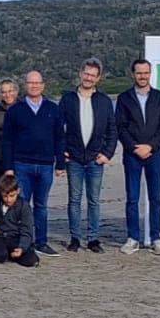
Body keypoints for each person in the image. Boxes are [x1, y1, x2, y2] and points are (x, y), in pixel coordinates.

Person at [0, 71, 65, 258]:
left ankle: (41, 242)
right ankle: (23, 243)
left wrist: (60, 163)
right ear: (25, 85)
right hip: (22, 164)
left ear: (43, 85)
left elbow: (60, 138)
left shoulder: (53, 109)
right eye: (30, 83)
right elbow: (7, 141)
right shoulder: (15, 110)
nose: (34, 86)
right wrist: (8, 167)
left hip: (45, 165)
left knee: (41, 206)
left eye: (37, 83)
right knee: (22, 205)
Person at [59, 59, 117, 253]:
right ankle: (75, 238)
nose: (89, 78)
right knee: (74, 199)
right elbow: (58, 128)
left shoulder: (104, 101)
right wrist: (62, 151)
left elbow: (112, 130)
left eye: (93, 75)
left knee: (93, 200)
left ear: (98, 78)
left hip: (95, 159)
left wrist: (107, 154)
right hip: (74, 159)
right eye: (86, 74)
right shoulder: (67, 99)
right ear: (80, 73)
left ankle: (93, 239)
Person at [115, 58, 160, 256]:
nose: (142, 76)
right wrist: (134, 147)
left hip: (155, 154)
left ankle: (156, 239)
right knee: (132, 198)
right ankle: (133, 238)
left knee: (155, 198)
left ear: (150, 73)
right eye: (139, 73)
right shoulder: (124, 98)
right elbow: (120, 127)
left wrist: (151, 146)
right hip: (132, 155)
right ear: (133, 74)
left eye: (145, 72)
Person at [0, 174, 38, 266]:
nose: (8, 200)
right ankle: (0, 252)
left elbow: (27, 230)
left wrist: (22, 247)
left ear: (18, 191)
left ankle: (15, 253)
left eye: (12, 196)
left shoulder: (24, 206)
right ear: (0, 192)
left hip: (16, 237)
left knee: (30, 260)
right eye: (5, 196)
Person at [0, 78, 20, 168]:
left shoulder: (25, 110)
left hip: (19, 160)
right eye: (4, 92)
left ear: (16, 91)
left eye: (10, 91)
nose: (7, 95)